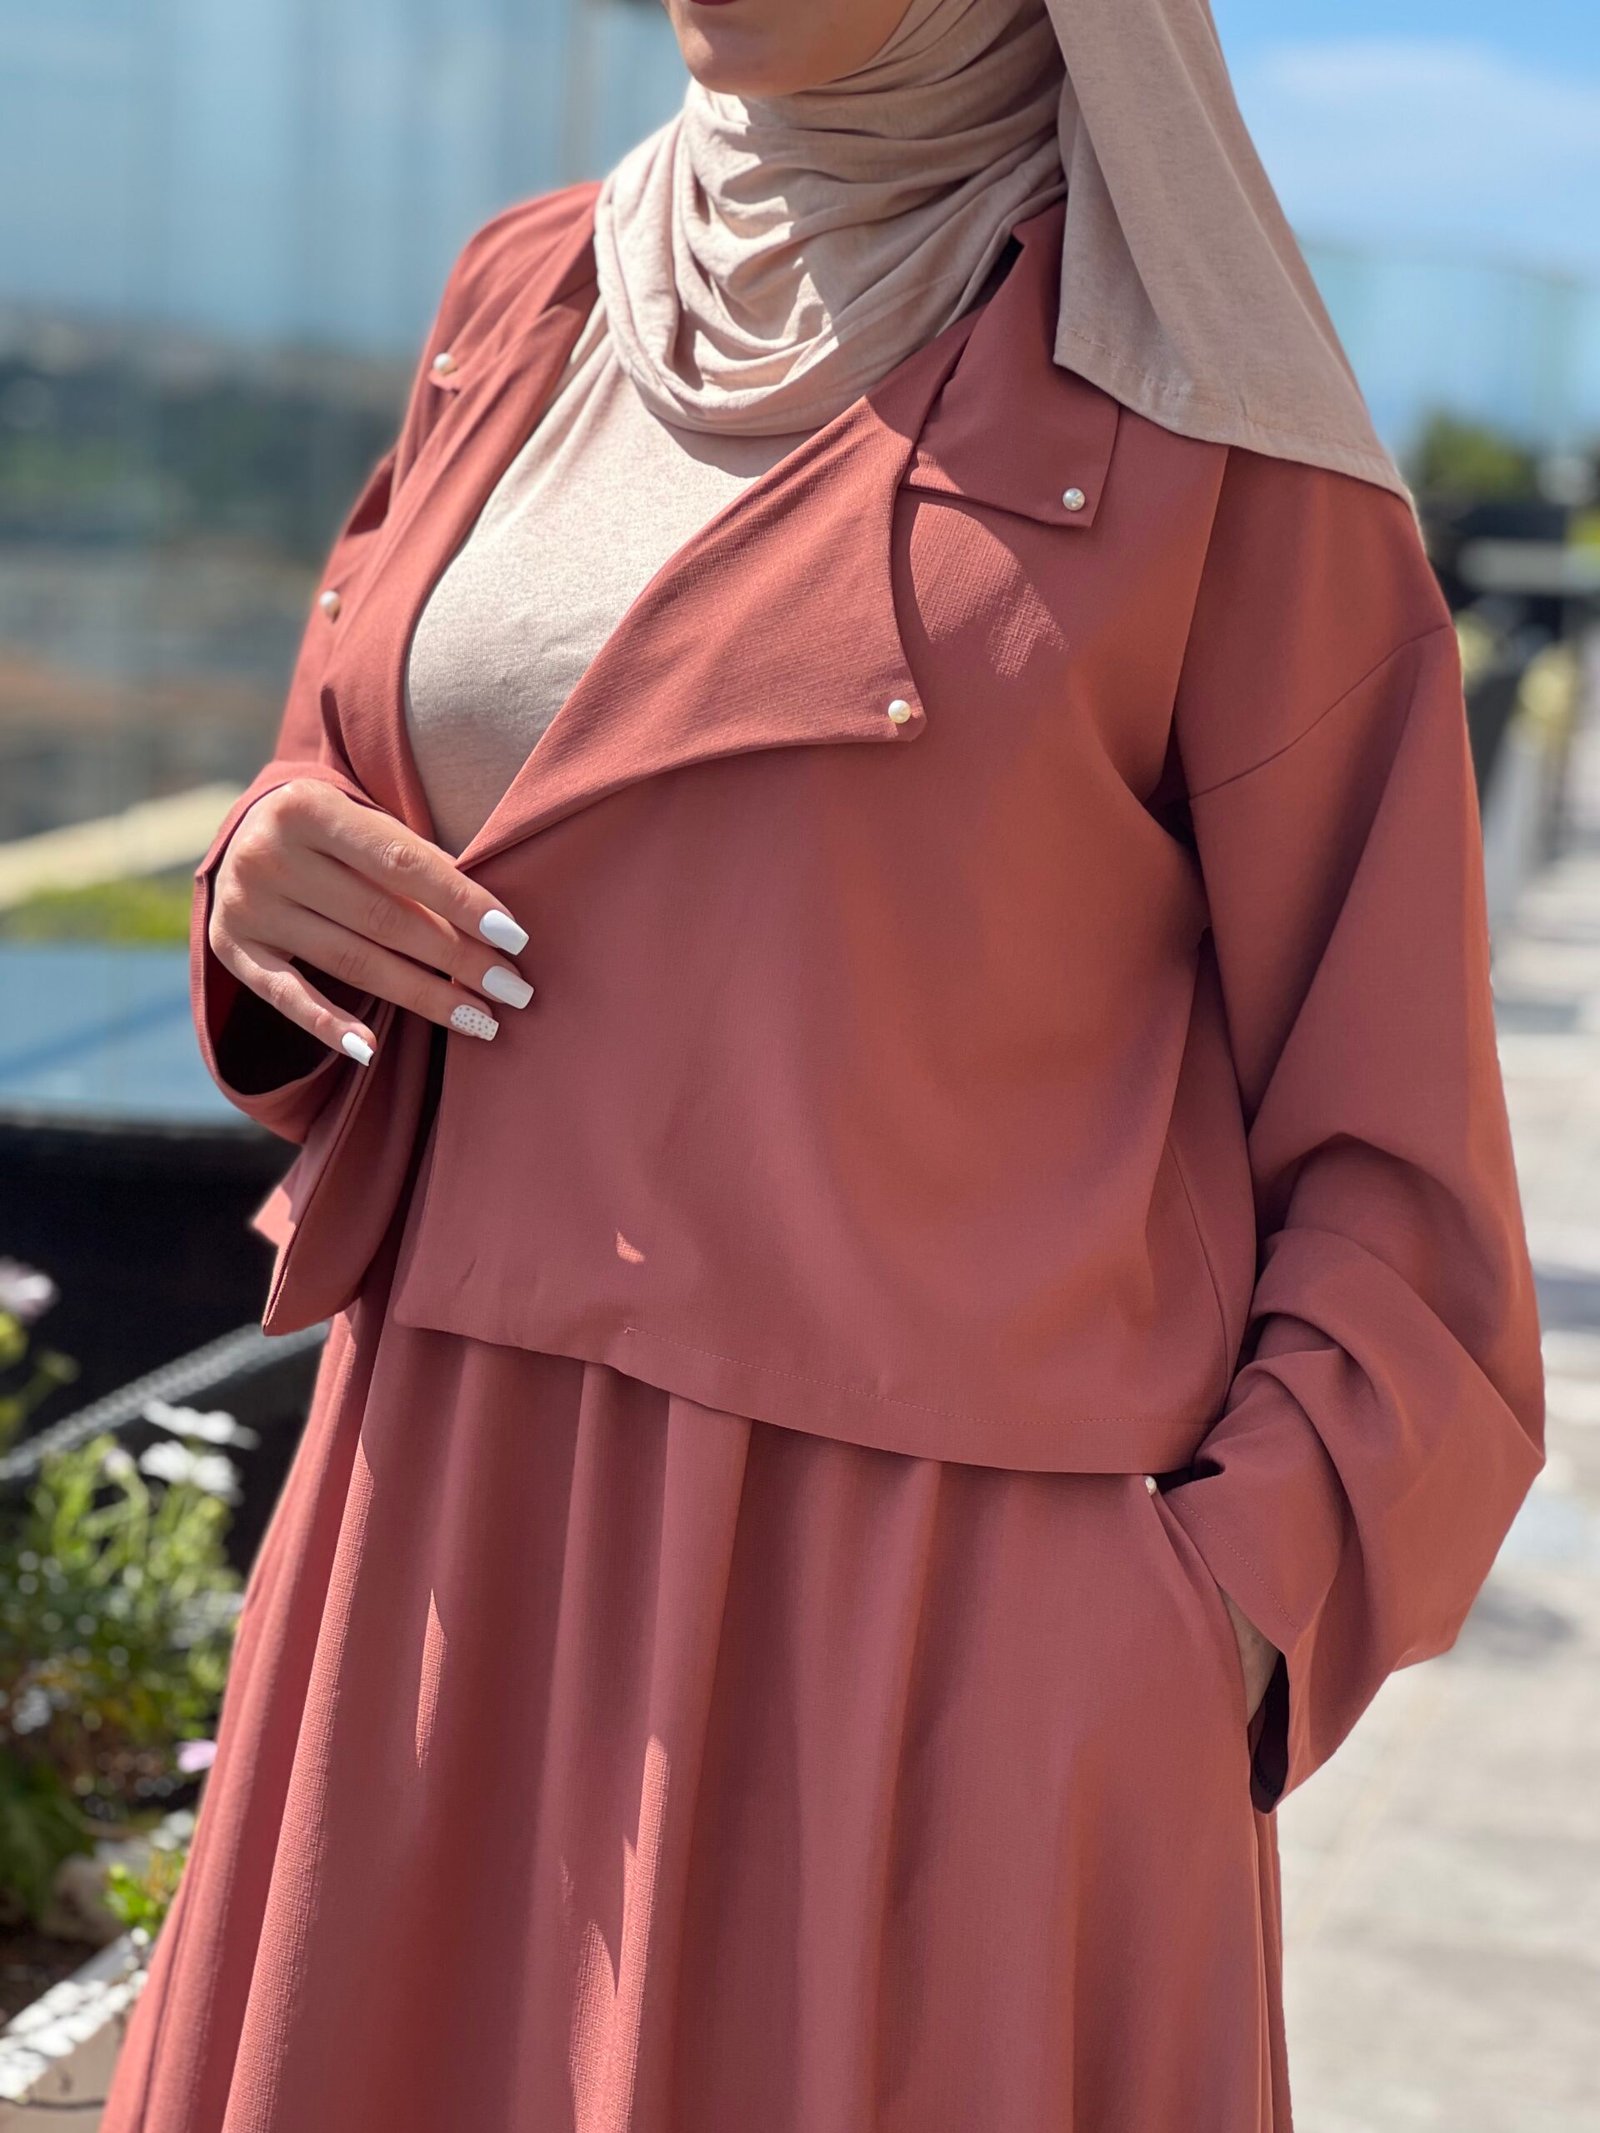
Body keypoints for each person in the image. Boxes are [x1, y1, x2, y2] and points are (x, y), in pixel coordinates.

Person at [101, 2, 1545, 2127]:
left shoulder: (1213, 425)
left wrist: (1198, 1626)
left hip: (928, 1657)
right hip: (440, 1549)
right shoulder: (526, 292)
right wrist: (263, 878)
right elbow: (357, 757)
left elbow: (1406, 1202)